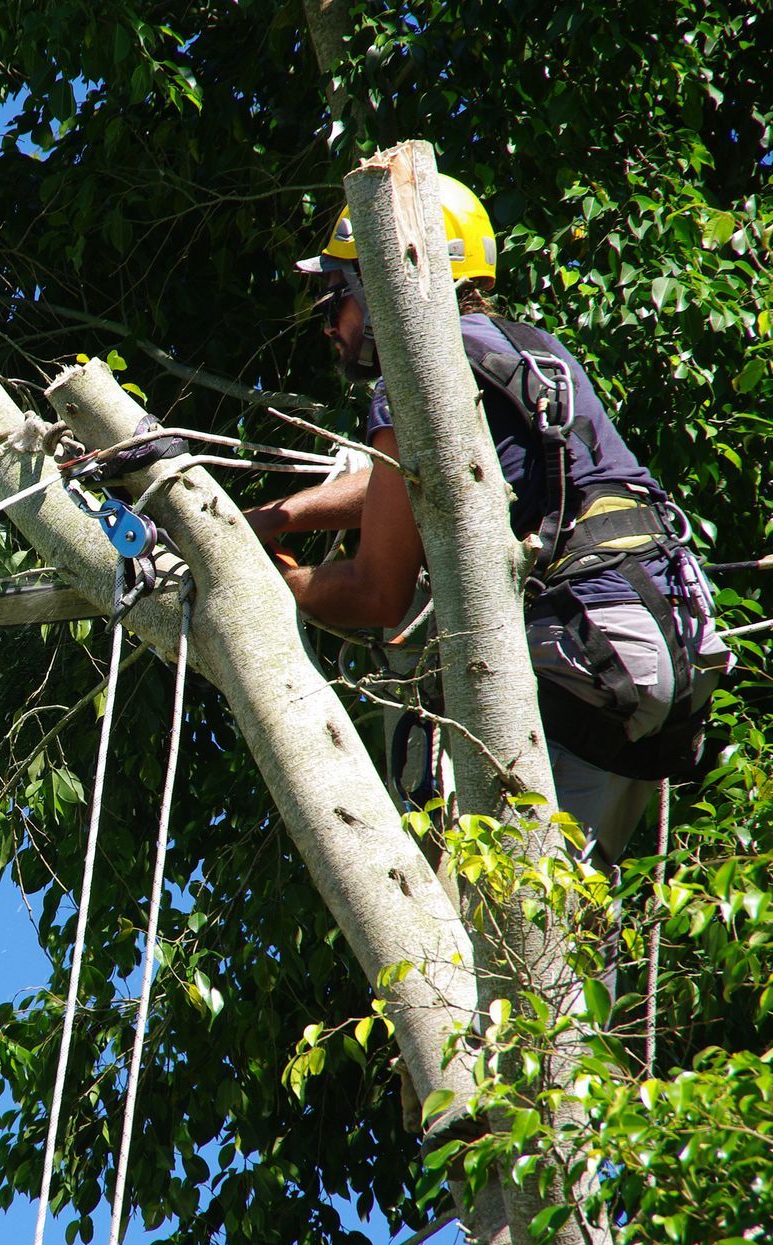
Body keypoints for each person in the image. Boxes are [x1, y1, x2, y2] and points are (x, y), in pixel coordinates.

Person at [245, 176, 729, 862]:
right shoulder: (527, 348)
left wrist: (252, 566)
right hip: (664, 643)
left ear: (385, 284)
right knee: (570, 936)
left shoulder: (414, 380)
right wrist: (277, 516)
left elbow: (374, 591)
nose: (331, 324)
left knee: (506, 923)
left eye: (338, 298)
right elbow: (410, 486)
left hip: (584, 661)